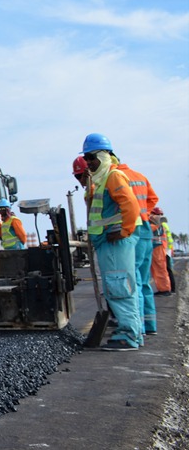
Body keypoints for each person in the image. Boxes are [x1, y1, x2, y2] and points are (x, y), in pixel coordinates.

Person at [82, 133, 142, 351]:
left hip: (115, 240)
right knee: (122, 285)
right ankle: (133, 333)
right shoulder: (100, 179)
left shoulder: (113, 177)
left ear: (103, 155)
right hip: (107, 241)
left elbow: (131, 206)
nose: (87, 162)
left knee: (119, 286)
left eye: (90, 157)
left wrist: (124, 231)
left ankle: (128, 335)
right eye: (86, 158)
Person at [112, 156, 159, 337]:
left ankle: (136, 327)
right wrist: (144, 212)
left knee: (134, 280)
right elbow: (153, 198)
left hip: (133, 229)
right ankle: (150, 324)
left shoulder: (117, 177)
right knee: (144, 280)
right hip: (146, 229)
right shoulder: (140, 176)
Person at [149, 207, 172, 296]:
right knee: (156, 270)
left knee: (160, 269)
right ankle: (162, 288)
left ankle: (165, 289)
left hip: (158, 247)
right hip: (156, 247)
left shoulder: (156, 222)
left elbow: (151, 229)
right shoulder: (158, 222)